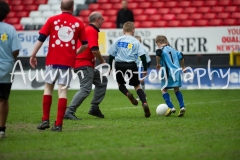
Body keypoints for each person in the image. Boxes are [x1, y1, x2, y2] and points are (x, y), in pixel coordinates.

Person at [29, 0, 88, 132]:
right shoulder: (78, 23)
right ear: (73, 7)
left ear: (60, 7)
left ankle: (45, 120)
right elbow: (85, 44)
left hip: (52, 61)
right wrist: (75, 53)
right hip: (67, 63)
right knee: (62, 91)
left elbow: (41, 38)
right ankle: (58, 124)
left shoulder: (52, 20)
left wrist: (33, 55)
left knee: (48, 88)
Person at [64, 11, 108, 120]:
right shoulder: (92, 30)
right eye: (102, 18)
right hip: (83, 64)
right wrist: (102, 60)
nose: (103, 20)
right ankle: (69, 111)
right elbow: (94, 49)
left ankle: (94, 107)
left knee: (102, 81)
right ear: (97, 20)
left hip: (83, 63)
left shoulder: (87, 29)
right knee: (85, 89)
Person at [108, 21, 151, 118]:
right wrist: (144, 69)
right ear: (133, 30)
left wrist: (110, 67)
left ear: (123, 31)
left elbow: (111, 56)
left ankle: (127, 93)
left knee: (120, 84)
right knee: (137, 86)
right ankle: (144, 102)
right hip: (131, 64)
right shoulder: (135, 41)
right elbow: (143, 56)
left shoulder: (118, 40)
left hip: (119, 64)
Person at [0, 0, 22, 138]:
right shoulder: (9, 29)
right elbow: (15, 51)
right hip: (5, 67)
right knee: (3, 99)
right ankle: (1, 130)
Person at [155, 35, 186, 117]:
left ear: (158, 43)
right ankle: (182, 107)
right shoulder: (174, 50)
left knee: (163, 90)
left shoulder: (160, 49)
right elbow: (181, 55)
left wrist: (158, 64)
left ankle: (171, 107)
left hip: (167, 72)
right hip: (176, 71)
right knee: (176, 90)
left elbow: (158, 53)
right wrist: (183, 67)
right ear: (167, 42)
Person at [134, 36, 151, 100]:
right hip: (134, 66)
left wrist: (145, 69)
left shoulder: (143, 50)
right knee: (136, 81)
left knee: (141, 80)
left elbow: (148, 60)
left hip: (141, 66)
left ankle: (143, 94)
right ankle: (139, 95)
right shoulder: (131, 50)